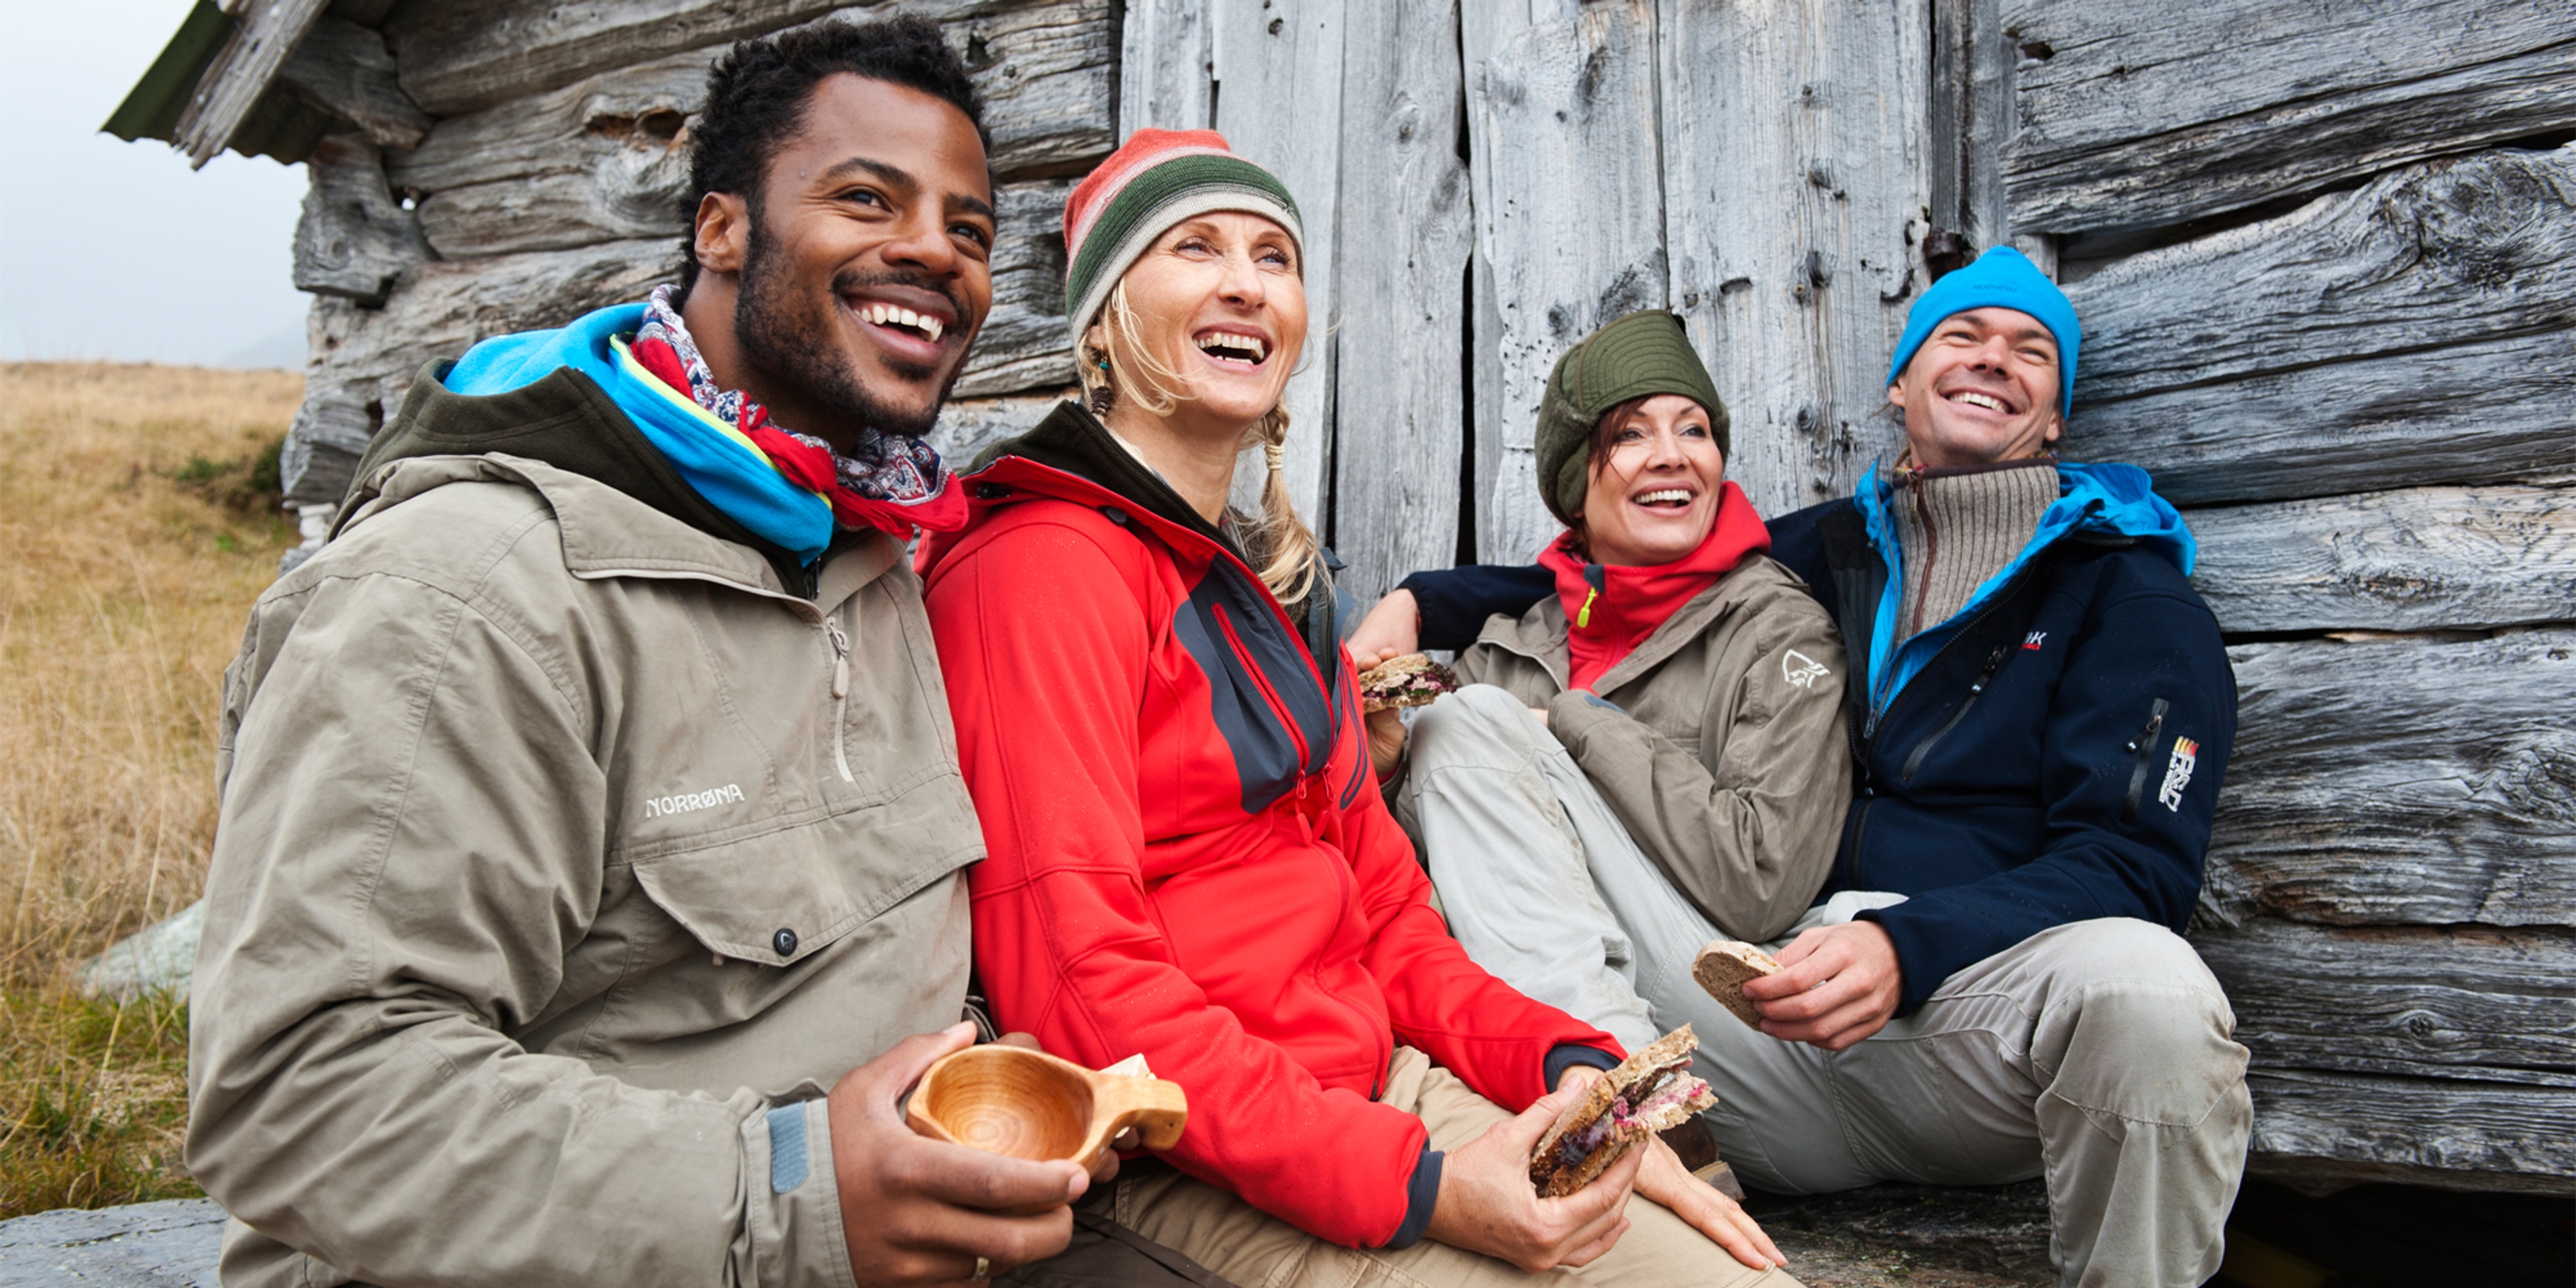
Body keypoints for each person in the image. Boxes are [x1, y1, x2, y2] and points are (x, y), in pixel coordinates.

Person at [187, 20, 1195, 1287]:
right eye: (866, 198)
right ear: (722, 228)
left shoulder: (866, 554)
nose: (933, 251)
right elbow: (300, 1091)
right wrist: (797, 1193)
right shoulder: (472, 590)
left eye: (971, 230)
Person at [916, 130, 1799, 1288]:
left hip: (1372, 1087)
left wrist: (1567, 1066)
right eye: (1195, 248)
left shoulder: (1275, 592)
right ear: (1105, 324)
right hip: (1185, 1151)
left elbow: (1389, 918)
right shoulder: (1040, 567)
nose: (1246, 281)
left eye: (1274, 256)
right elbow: (1084, 984)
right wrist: (1425, 1186)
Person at [1356, 248, 2251, 1287]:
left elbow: (2139, 868)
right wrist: (1423, 600)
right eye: (1962, 336)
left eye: (2032, 351)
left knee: (2155, 993)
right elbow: (1623, 555)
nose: (1994, 359)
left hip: (1969, 1030)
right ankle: (1637, 1141)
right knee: (1468, 726)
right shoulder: (1834, 549)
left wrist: (1906, 945)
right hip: (1761, 1024)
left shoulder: (2132, 602)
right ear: (1902, 384)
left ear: (2055, 413)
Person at [1362, 310, 1851, 1087]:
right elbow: (1429, 894)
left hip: (1720, 1019)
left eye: (1694, 431)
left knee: (1471, 722)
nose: (1672, 458)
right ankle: (1600, 1093)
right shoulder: (1510, 646)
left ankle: (1620, 1094)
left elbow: (1761, 881)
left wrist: (1572, 724)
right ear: (1573, 486)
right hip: (1531, 1033)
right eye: (1629, 436)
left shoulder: (1779, 631)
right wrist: (1388, 776)